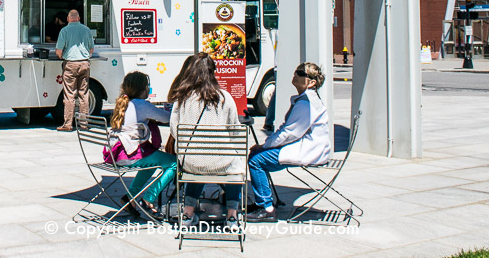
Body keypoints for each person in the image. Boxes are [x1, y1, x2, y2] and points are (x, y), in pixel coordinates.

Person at [246, 62, 330, 223]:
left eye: (300, 73)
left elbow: (289, 133)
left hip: (309, 150)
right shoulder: (306, 100)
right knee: (257, 155)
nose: (295, 74)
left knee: (256, 160)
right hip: (307, 146)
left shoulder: (306, 104)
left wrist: (265, 146)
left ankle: (267, 208)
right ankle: (262, 202)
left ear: (311, 82)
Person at [169, 52, 243, 228]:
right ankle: (232, 216)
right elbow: (236, 131)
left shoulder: (183, 99)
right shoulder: (225, 97)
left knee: (198, 162)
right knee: (236, 166)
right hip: (222, 163)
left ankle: (188, 214)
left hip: (191, 162)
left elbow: (174, 130)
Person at [104, 71, 175, 220]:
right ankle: (149, 198)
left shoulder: (123, 102)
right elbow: (165, 118)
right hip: (130, 155)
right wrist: (172, 109)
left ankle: (130, 198)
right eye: (147, 87)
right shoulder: (141, 104)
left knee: (153, 161)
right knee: (173, 163)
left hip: (115, 154)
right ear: (142, 89)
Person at [55, 9, 94, 131]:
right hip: (84, 64)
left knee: (69, 94)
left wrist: (61, 56)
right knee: (83, 94)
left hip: (70, 64)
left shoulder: (64, 30)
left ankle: (67, 124)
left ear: (68, 19)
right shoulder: (87, 30)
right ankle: (84, 124)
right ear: (79, 18)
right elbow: (91, 49)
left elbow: (59, 51)